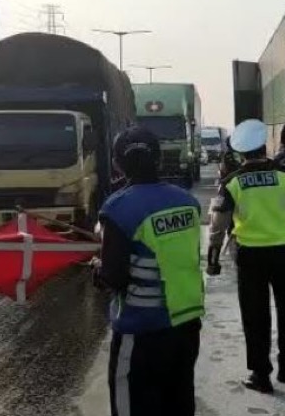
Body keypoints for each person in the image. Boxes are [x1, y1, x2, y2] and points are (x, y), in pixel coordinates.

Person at [94, 126, 204, 416]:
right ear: (158, 158)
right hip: (186, 327)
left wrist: (99, 270)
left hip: (141, 331)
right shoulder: (188, 203)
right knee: (178, 405)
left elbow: (114, 277)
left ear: (118, 163)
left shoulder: (117, 209)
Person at [208, 119, 285, 394]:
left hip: (250, 256)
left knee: (255, 316)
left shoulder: (233, 183)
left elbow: (218, 223)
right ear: (265, 147)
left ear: (241, 153)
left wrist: (213, 256)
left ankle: (260, 374)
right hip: (284, 253)